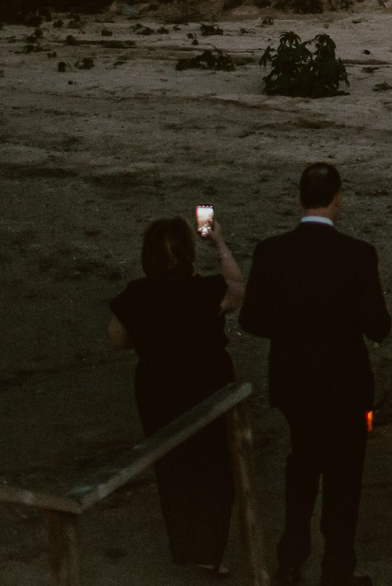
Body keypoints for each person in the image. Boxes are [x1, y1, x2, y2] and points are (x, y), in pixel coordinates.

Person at [239, 164, 392, 586]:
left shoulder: (271, 251)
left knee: (302, 463)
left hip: (294, 379)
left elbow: (251, 319)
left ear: (299, 198)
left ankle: (291, 558)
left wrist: (290, 329)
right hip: (344, 382)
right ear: (338, 199)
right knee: (344, 475)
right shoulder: (358, 254)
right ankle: (337, 567)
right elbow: (378, 326)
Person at [109, 216, 244, 576]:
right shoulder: (206, 290)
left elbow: (118, 338)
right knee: (215, 469)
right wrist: (218, 243)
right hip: (207, 387)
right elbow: (237, 289)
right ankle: (207, 549)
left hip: (158, 390)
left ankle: (184, 545)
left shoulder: (137, 296)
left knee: (171, 468)